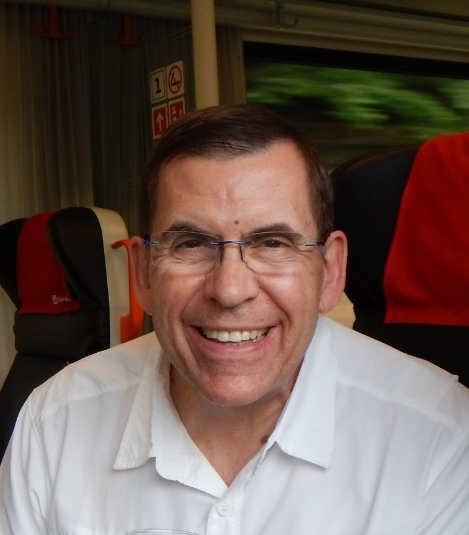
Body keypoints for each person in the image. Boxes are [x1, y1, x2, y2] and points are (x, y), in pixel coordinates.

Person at [1, 105, 468, 535]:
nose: (229, 290)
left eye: (272, 243)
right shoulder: (56, 420)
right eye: (191, 244)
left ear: (330, 271)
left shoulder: (439, 436)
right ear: (143, 274)